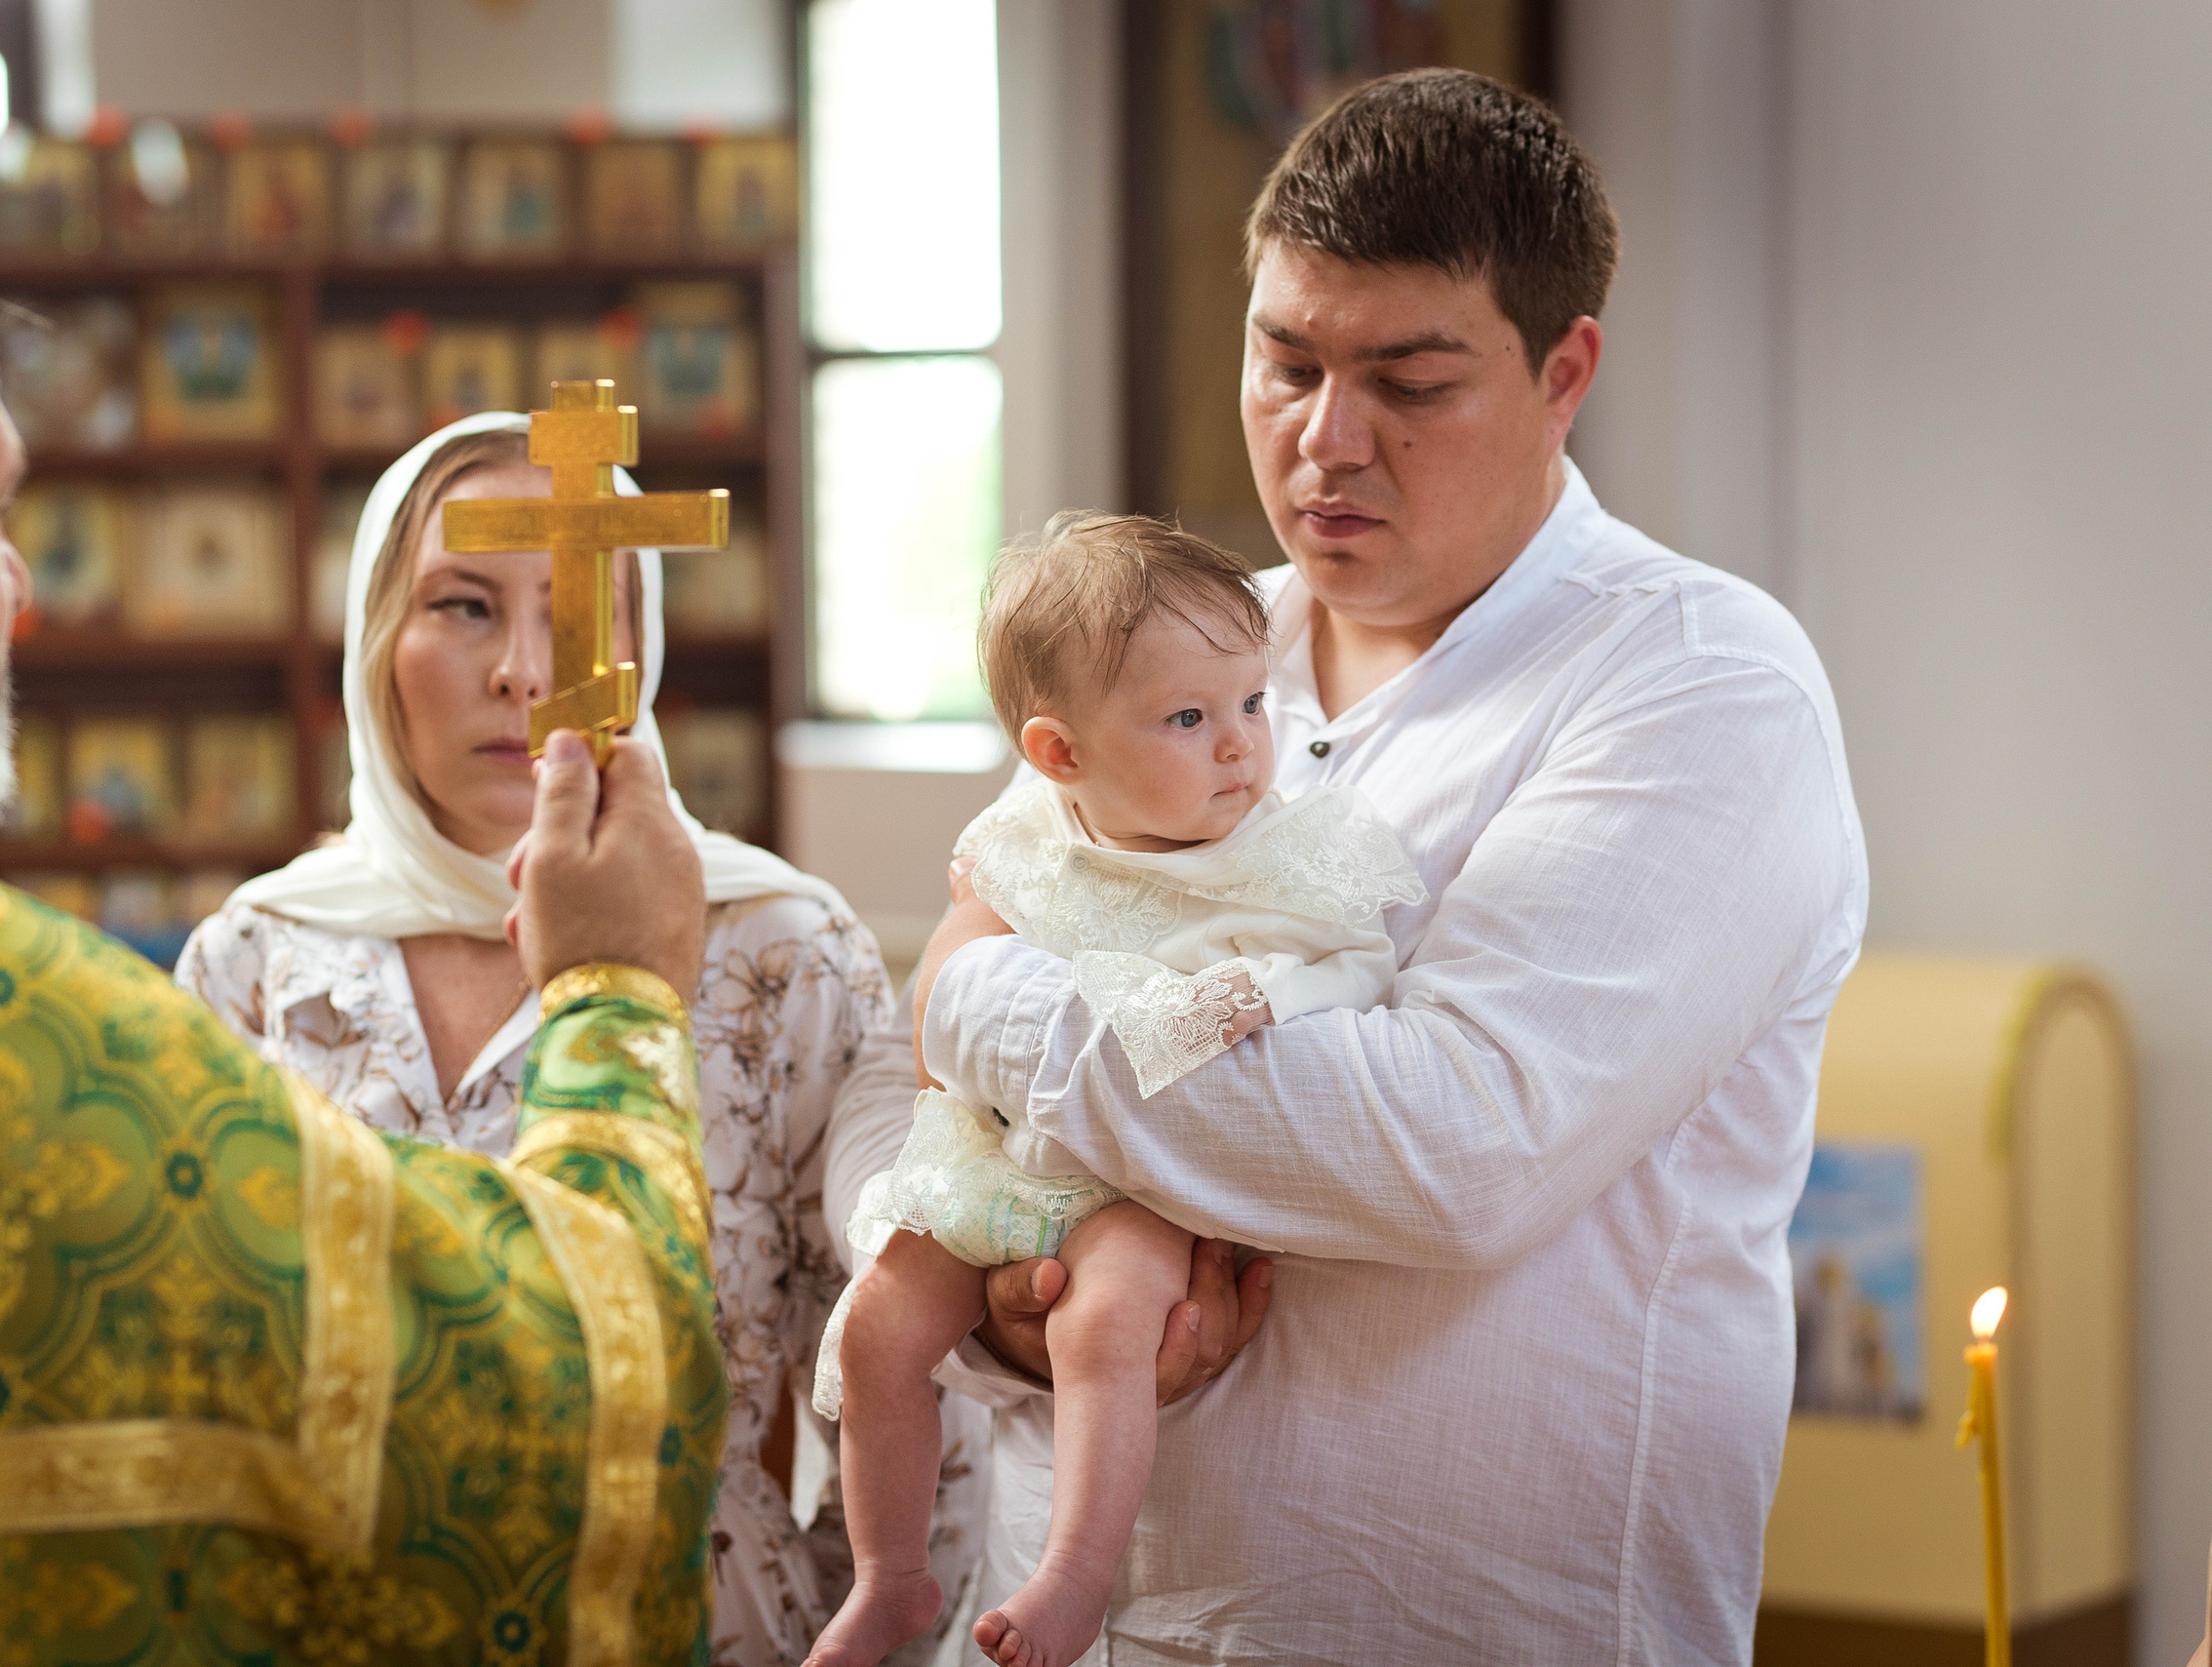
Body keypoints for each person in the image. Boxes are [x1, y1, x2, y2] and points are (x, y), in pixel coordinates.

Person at [826, 68, 1867, 1664]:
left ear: (1562, 369)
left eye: (1409, 378)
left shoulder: (1697, 684)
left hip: (1472, 1621)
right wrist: (1023, 1308)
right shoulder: (1174, 651)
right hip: (1106, 1609)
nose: (1325, 438)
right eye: (1286, 359)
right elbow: (928, 1103)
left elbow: (1452, 1144)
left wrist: (1001, 1007)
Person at [0, 211, 726, 1661]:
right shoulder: (48, 1038)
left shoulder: (787, 939)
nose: (24, 587)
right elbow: (571, 1425)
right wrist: (620, 989)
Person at [174, 412, 980, 1667]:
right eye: (463, 606)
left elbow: (912, 1351)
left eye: (579, 612)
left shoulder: (780, 946)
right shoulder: (258, 957)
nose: (526, 674)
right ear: (376, 638)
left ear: (643, 644)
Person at [806, 514, 1423, 1667]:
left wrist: (1262, 996)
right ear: (1058, 754)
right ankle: (890, 1577)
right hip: (999, 1154)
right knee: (884, 1321)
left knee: (1106, 1321)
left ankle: (1076, 1573)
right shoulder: (1034, 839)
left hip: (1140, 1179)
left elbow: (1359, 964)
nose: (1240, 746)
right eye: (1189, 719)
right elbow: (936, 1010)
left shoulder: (1277, 851)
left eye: (1251, 703)